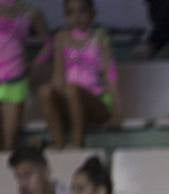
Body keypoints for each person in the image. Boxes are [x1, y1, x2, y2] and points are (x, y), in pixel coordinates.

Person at [37, 0, 119, 150]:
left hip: (97, 101)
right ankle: (59, 143)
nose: (77, 17)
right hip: (69, 98)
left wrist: (116, 111)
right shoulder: (61, 37)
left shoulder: (100, 37)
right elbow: (58, 75)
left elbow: (111, 75)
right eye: (71, 13)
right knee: (45, 91)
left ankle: (77, 144)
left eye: (82, 11)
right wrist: (54, 98)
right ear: (66, 16)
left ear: (92, 14)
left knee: (72, 91)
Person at [0, 0, 46, 151]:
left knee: (10, 142)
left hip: (15, 80)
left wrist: (35, 64)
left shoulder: (30, 11)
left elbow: (48, 44)